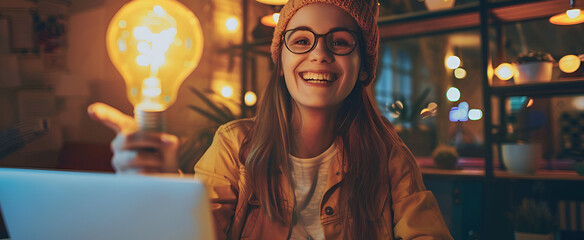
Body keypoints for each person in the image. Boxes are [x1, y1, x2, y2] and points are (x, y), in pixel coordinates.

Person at [88, 0, 453, 239]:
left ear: (363, 67)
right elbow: (196, 231)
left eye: (340, 42)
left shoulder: (388, 157)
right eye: (301, 40)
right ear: (280, 62)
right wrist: (162, 188)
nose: (320, 53)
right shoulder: (234, 145)